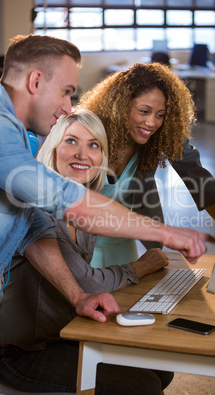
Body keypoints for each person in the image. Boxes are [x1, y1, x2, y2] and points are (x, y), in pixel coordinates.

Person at [0, 34, 212, 323]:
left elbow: (34, 230)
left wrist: (77, 295)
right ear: (35, 81)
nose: (66, 107)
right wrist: (166, 233)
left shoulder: (17, 135)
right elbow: (66, 200)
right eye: (65, 91)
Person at [0, 108, 173, 394]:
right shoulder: (36, 204)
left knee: (160, 368)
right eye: (71, 141)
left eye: (93, 145)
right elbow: (86, 283)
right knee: (143, 386)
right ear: (52, 148)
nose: (83, 154)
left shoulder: (82, 210)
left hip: (62, 335)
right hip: (18, 352)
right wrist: (140, 267)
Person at [78, 61, 215, 268]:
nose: (152, 123)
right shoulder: (85, 135)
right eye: (144, 111)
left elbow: (201, 182)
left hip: (122, 247)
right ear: (120, 106)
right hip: (78, 247)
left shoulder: (157, 136)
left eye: (160, 115)